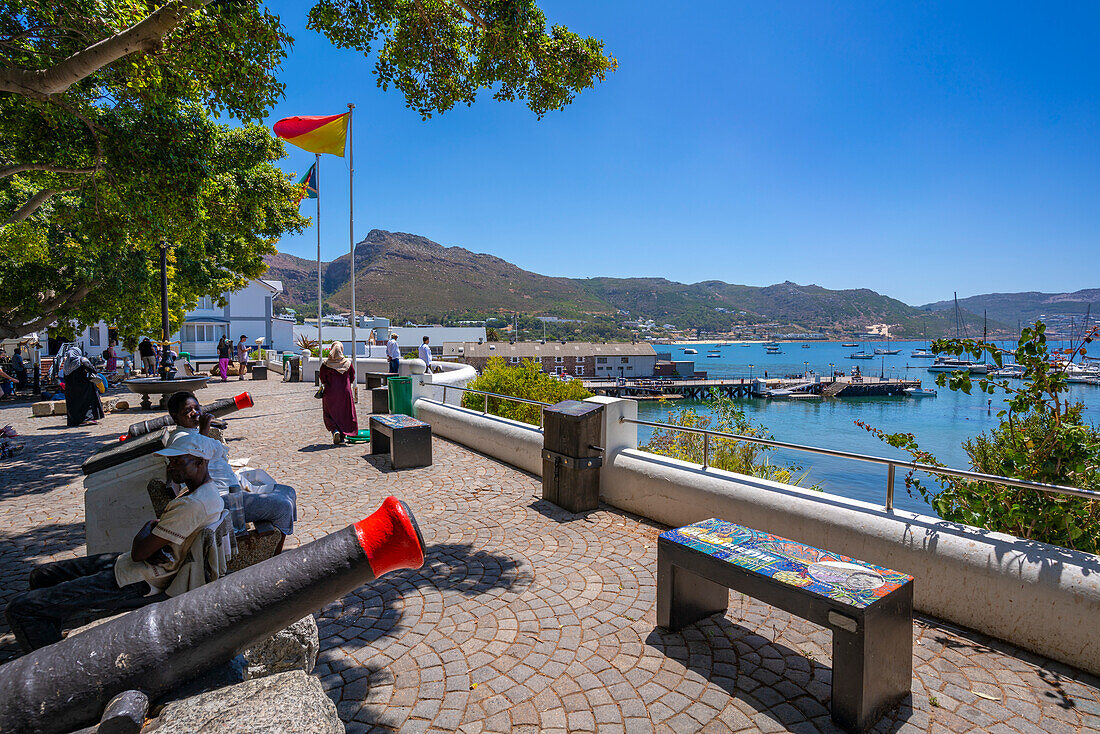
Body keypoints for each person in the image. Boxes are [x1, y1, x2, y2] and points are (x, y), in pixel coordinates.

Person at [4, 432, 225, 652]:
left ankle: (49, 664)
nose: (171, 467)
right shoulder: (204, 493)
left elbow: (140, 552)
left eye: (178, 461)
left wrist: (147, 528)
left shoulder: (194, 505)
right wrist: (154, 535)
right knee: (42, 576)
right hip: (134, 565)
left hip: (140, 580)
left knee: (21, 609)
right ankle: (49, 633)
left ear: (199, 462)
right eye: (170, 461)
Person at [166, 391, 296, 551]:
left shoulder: (190, 432)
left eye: (197, 408)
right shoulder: (179, 439)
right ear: (175, 417)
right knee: (282, 506)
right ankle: (274, 554)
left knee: (288, 491)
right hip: (221, 501)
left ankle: (276, 545)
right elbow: (199, 459)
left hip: (232, 492)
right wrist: (204, 430)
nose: (195, 414)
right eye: (187, 411)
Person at [319, 341, 357, 445]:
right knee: (344, 414)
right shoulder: (348, 364)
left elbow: (322, 379)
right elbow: (352, 377)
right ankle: (342, 437)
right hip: (345, 393)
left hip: (330, 393)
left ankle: (334, 430)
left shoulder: (326, 364)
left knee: (329, 413)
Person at [61, 343, 104, 427]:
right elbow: (92, 370)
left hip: (70, 388)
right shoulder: (82, 360)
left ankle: (75, 420)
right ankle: (87, 419)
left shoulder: (66, 364)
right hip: (84, 386)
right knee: (87, 402)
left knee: (74, 404)